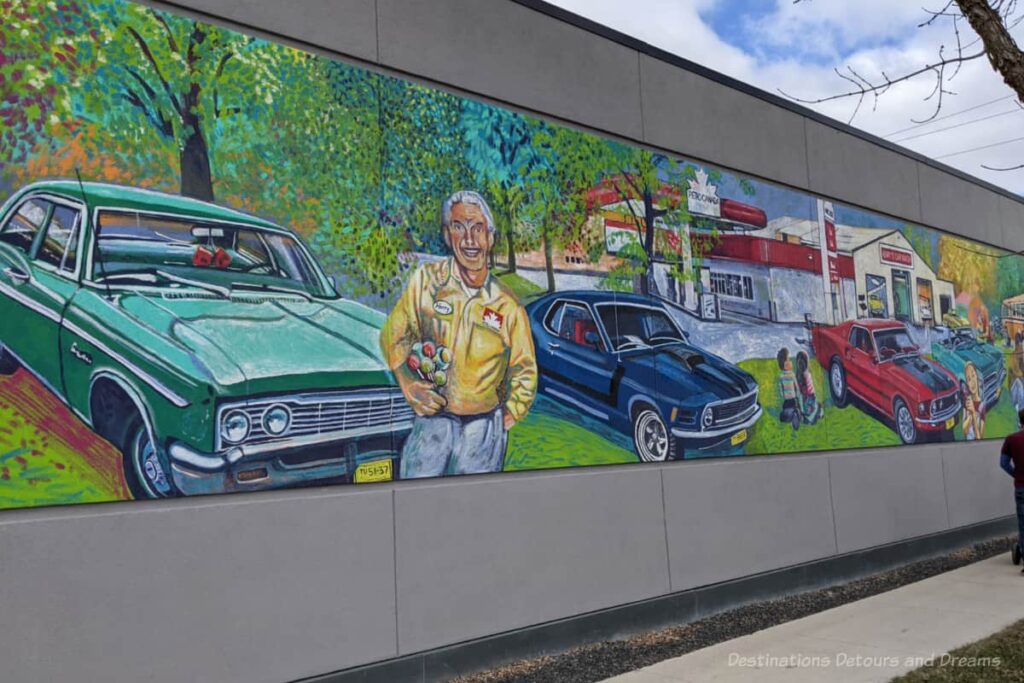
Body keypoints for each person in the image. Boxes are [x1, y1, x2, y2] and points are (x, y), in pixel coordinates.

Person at [380, 190, 538, 478]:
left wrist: (509, 414)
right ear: (446, 234)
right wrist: (407, 383)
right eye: (458, 227)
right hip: (430, 425)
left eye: (477, 228)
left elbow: (525, 370)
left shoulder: (508, 305)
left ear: (490, 237)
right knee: (417, 506)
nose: (469, 240)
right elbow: (394, 335)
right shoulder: (426, 282)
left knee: (476, 512)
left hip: (483, 432)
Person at [1000, 408, 1024, 571]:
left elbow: (1003, 463)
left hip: (1021, 487)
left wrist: (1015, 473)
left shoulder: (1011, 440)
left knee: (1023, 523)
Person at [795, 350, 823, 425]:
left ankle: (807, 417)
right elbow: (810, 390)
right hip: (810, 396)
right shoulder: (807, 374)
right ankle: (814, 416)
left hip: (803, 398)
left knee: (808, 409)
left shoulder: (797, 375)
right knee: (814, 408)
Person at [777, 347, 800, 432]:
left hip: (786, 399)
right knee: (796, 408)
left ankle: (788, 416)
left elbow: (781, 389)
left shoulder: (781, 376)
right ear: (785, 364)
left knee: (786, 408)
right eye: (789, 359)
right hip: (793, 398)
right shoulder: (792, 375)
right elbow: (796, 386)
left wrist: (783, 395)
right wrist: (797, 394)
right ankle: (794, 416)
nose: (791, 361)